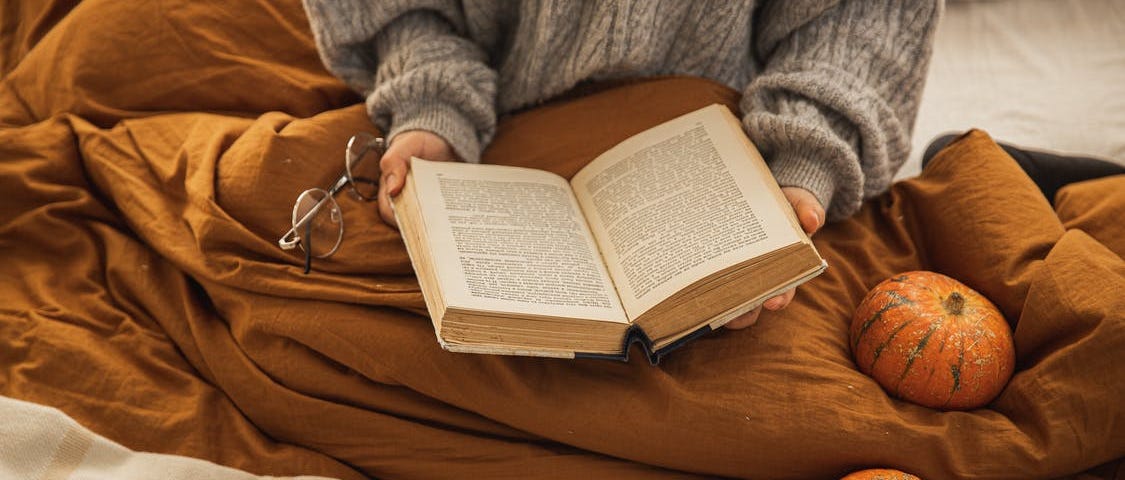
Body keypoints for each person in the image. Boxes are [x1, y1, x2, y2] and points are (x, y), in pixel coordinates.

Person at [301, 0, 940, 329]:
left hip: (735, 137)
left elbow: (857, 22)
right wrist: (428, 99)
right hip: (484, 111)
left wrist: (801, 162)